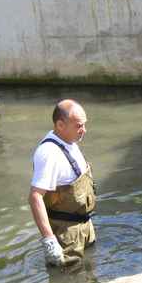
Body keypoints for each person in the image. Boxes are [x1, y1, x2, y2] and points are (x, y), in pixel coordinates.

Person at [28, 99, 96, 266]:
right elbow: (35, 196)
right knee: (67, 281)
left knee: (91, 274)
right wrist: (50, 241)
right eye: (79, 126)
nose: (84, 130)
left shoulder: (69, 141)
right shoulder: (49, 153)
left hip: (85, 226)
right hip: (66, 235)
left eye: (84, 125)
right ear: (60, 125)